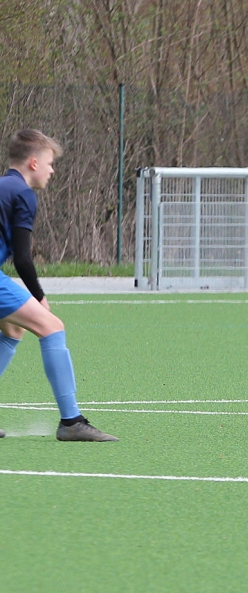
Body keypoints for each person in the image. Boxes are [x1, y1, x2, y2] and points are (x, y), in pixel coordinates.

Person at [0, 129, 117, 442]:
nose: (53, 170)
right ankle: (71, 421)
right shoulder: (23, 193)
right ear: (33, 163)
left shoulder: (3, 186)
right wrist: (39, 297)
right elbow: (23, 258)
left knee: (13, 329)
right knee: (51, 327)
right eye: (50, 163)